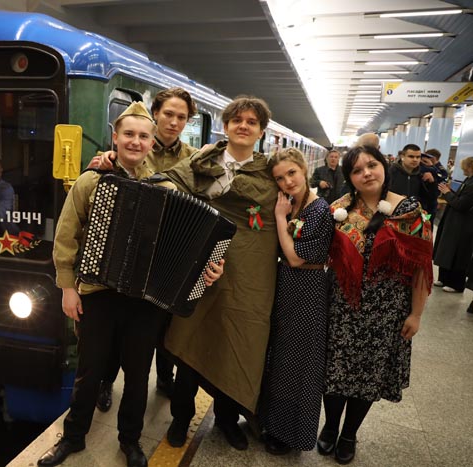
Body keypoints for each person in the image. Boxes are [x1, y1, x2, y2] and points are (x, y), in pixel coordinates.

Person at [37, 102, 222, 467]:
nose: (135, 142)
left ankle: (130, 440)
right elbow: (66, 237)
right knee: (89, 371)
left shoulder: (166, 187)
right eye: (128, 135)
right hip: (98, 294)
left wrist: (208, 269)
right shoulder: (91, 181)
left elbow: (187, 244)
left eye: (142, 136)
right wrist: (68, 288)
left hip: (145, 299)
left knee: (138, 375)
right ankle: (73, 436)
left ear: (151, 142)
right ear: (115, 138)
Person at [163, 95, 279, 451]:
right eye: (237, 120)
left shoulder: (270, 173)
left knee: (236, 344)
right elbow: (164, 183)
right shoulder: (201, 162)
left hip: (248, 275)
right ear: (225, 126)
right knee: (191, 338)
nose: (244, 126)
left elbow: (294, 200)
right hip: (200, 266)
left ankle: (228, 420)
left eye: (252, 122)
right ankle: (181, 418)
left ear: (261, 132)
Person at [319, 145, 432, 465]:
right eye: (357, 170)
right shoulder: (338, 209)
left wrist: (416, 314)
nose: (366, 173)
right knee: (335, 371)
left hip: (387, 310)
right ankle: (330, 426)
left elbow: (421, 267)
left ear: (384, 166)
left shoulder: (410, 211)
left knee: (369, 375)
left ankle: (349, 434)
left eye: (372, 165)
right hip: (341, 306)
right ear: (349, 177)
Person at [91, 87, 199, 411]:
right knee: (118, 329)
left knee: (164, 323)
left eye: (182, 117)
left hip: (167, 255)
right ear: (156, 113)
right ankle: (106, 382)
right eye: (168, 114)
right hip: (128, 253)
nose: (174, 122)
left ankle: (164, 377)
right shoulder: (134, 148)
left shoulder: (193, 158)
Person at [259, 148, 333, 455]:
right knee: (280, 358)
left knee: (299, 363)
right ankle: (271, 423)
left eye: (291, 173)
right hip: (289, 288)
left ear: (304, 169)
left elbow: (295, 257)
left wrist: (279, 218)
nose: (287, 181)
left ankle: (290, 435)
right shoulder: (296, 205)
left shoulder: (318, 209)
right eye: (280, 178)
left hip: (308, 290)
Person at [432, 156, 473, 293]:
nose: (462, 169)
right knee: (447, 249)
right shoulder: (468, 180)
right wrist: (450, 192)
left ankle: (456, 283)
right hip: (454, 221)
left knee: (458, 253)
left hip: (463, 224)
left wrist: (448, 193)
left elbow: (461, 204)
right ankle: (444, 278)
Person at [418, 151, 447, 217]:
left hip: (430, 201)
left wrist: (431, 166)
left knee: (427, 220)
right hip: (426, 201)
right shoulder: (428, 167)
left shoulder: (436, 168)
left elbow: (441, 177)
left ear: (433, 158)